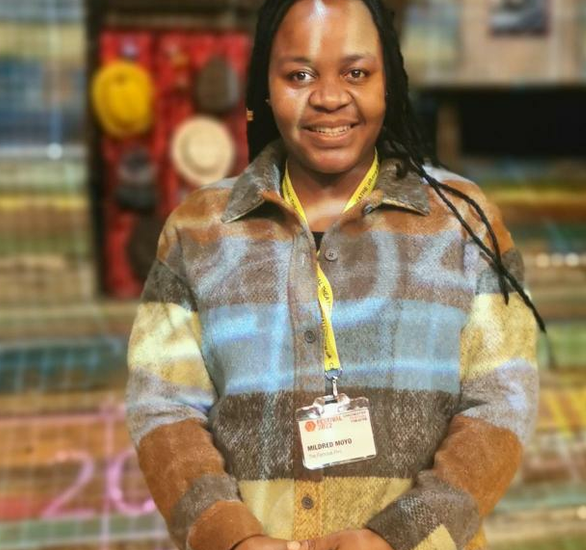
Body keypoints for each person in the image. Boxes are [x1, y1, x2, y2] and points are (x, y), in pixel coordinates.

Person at [124, 1, 544, 549]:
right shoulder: (197, 231)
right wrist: (229, 537)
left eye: (356, 73)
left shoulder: (464, 223)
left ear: (387, 82)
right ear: (266, 88)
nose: (328, 96)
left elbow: (502, 402)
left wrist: (399, 538)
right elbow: (163, 407)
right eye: (299, 74)